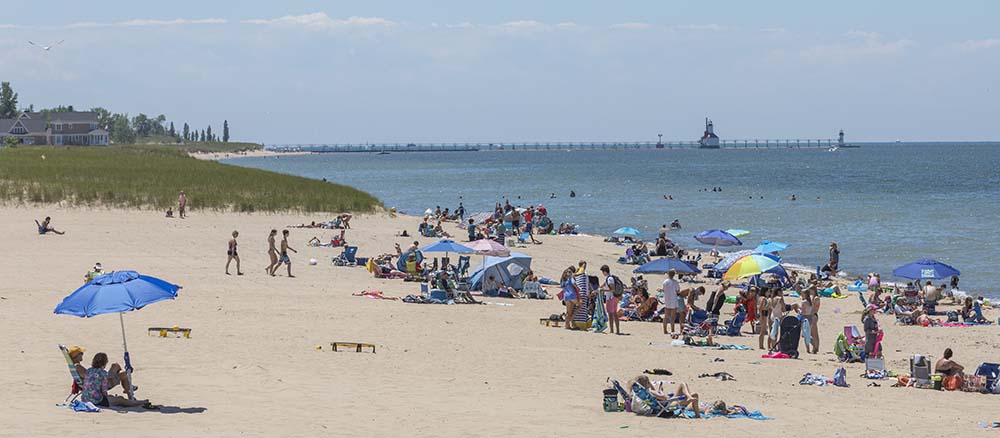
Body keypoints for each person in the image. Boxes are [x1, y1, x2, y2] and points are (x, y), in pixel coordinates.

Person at [81, 352, 150, 408]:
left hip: (85, 398)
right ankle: (140, 402)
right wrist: (106, 398)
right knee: (121, 400)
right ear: (105, 362)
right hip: (97, 400)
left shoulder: (89, 370)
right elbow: (104, 390)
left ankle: (129, 391)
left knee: (118, 398)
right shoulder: (103, 373)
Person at [631, 375, 701, 418]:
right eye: (649, 382)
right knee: (695, 394)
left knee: (683, 385)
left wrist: (656, 389)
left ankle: (689, 396)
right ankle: (697, 416)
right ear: (646, 383)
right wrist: (661, 391)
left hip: (666, 402)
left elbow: (657, 397)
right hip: (670, 404)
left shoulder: (646, 392)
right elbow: (663, 397)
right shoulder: (650, 392)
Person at [600, 265, 622, 335]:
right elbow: (603, 285)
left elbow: (612, 289)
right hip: (615, 298)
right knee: (615, 314)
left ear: (604, 271)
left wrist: (603, 290)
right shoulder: (610, 277)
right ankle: (617, 330)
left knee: (611, 314)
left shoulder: (609, 279)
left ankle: (612, 330)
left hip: (610, 298)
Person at [659, 270, 681, 335]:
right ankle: (672, 330)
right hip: (673, 300)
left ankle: (665, 330)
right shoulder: (675, 282)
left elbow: (664, 289)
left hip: (667, 300)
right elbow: (677, 290)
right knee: (672, 317)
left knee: (666, 316)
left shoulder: (665, 282)